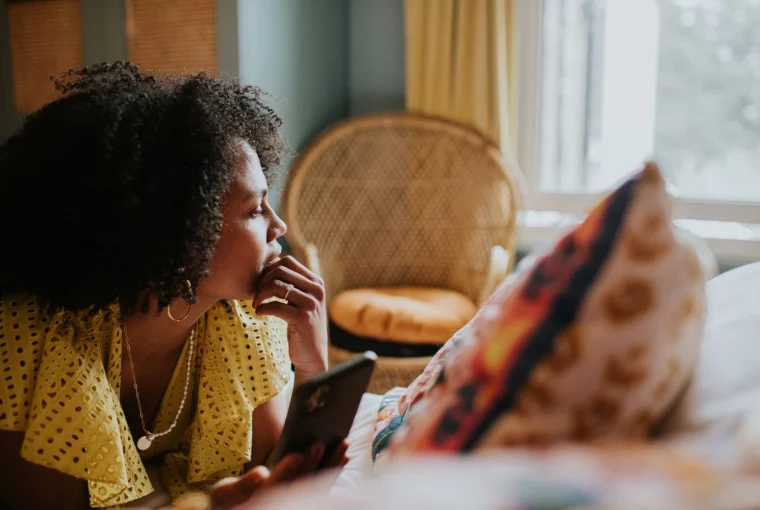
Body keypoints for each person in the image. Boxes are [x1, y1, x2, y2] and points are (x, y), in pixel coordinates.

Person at [0, 62, 345, 510]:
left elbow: (277, 476)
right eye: (255, 210)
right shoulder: (28, 341)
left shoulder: (247, 323)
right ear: (182, 232)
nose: (278, 225)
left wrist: (315, 366)